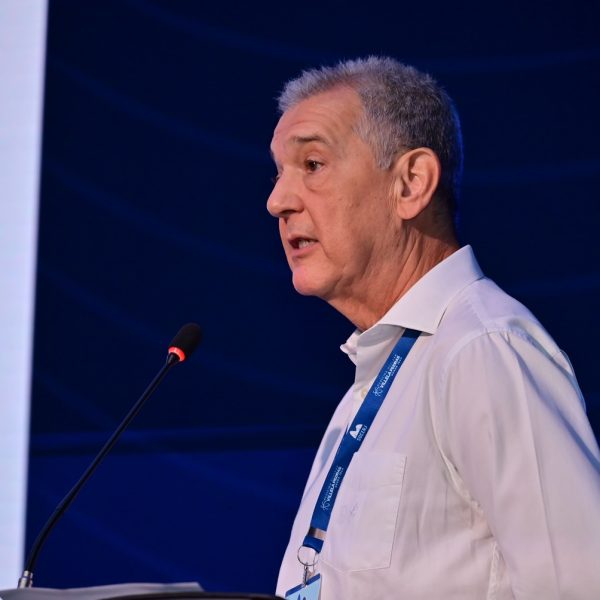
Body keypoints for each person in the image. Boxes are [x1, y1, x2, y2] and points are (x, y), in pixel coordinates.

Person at [266, 56, 600, 600]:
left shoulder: (482, 348)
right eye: (278, 172)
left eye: (313, 164)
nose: (277, 200)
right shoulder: (378, 377)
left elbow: (580, 587)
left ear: (411, 184)